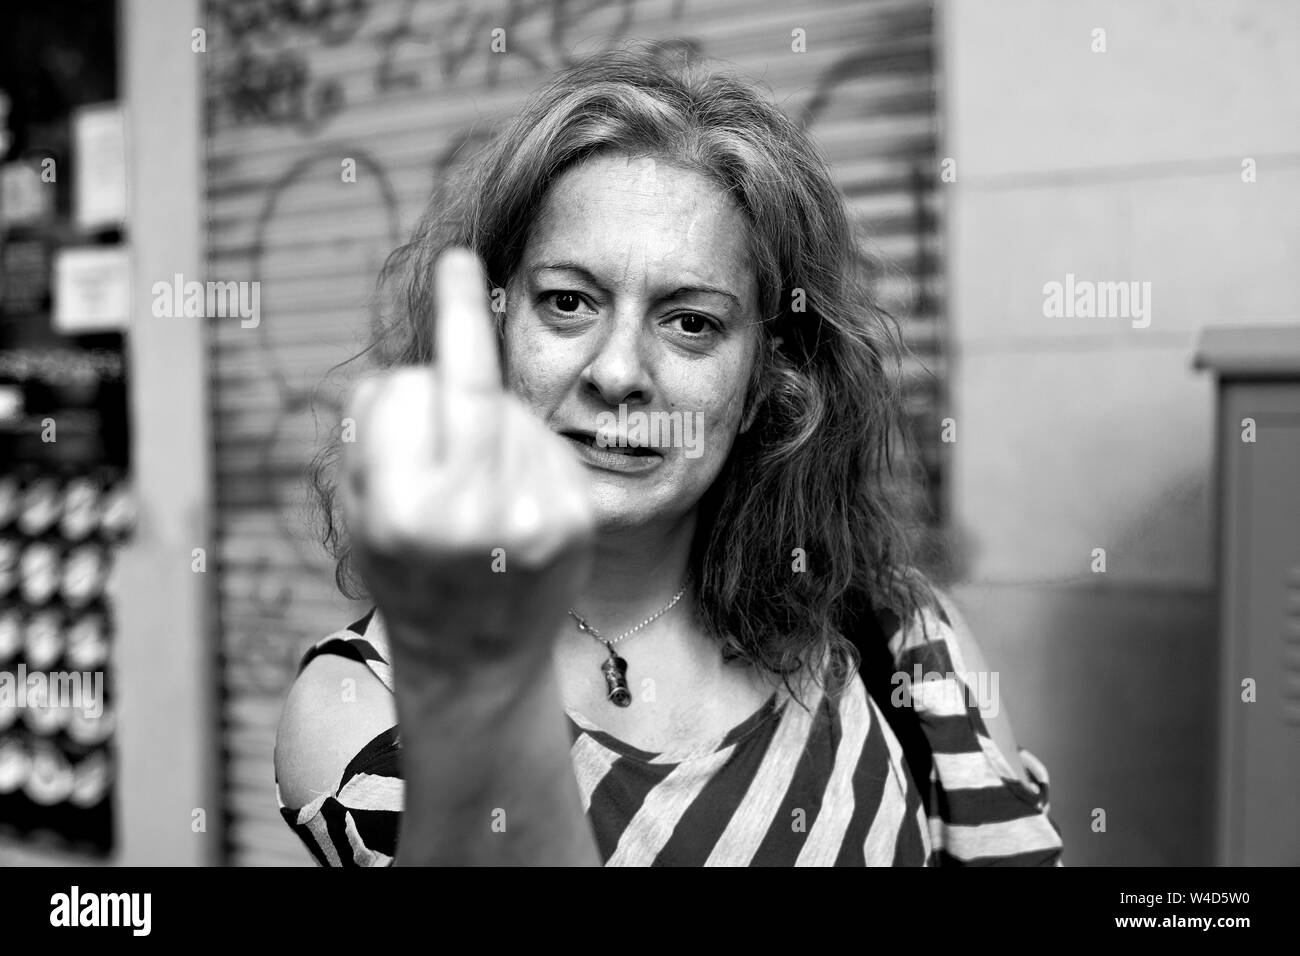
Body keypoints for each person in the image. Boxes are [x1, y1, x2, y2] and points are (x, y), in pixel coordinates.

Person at [273, 44, 1064, 867]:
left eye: (691, 322)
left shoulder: (902, 645)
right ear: (498, 326)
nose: (618, 373)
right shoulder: (366, 703)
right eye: (568, 303)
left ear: (769, 377)